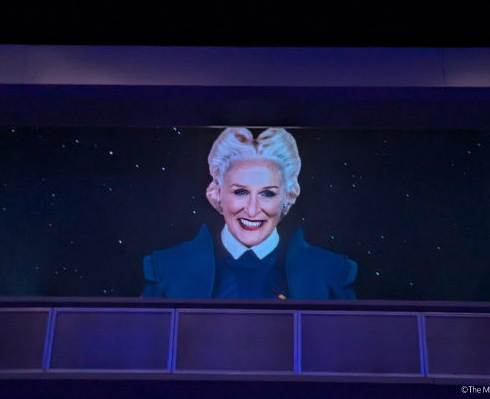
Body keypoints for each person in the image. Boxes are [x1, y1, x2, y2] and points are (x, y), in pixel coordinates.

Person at [141, 127, 357, 299]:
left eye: (267, 194)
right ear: (217, 192)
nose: (252, 210)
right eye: (240, 192)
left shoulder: (331, 273)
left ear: (288, 196)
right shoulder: (167, 269)